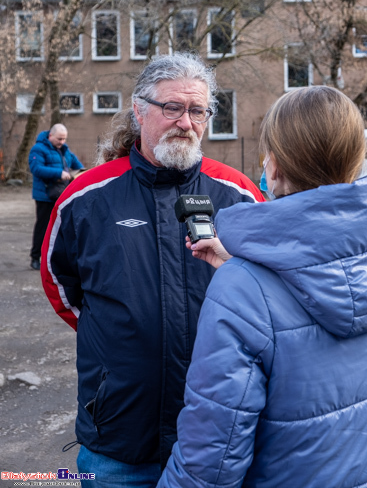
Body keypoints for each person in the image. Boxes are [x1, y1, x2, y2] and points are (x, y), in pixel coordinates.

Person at [40, 52, 265, 488]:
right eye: (172, 108)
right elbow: (58, 281)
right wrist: (113, 337)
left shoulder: (238, 195)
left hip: (215, 431)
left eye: (197, 110)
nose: (186, 122)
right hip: (119, 434)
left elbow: (266, 296)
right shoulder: (87, 195)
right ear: (139, 111)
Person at [157, 85, 367, 488]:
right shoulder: (245, 282)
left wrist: (245, 286)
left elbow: (210, 463)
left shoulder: (241, 291)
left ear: (274, 167)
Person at [29, 123, 83, 270]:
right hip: (45, 196)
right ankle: (35, 257)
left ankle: (57, 258)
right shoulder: (38, 149)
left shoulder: (64, 150)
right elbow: (36, 169)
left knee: (62, 227)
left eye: (64, 139)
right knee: (43, 227)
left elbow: (78, 166)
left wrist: (83, 174)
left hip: (61, 195)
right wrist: (58, 173)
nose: (62, 142)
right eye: (59, 139)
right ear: (51, 136)